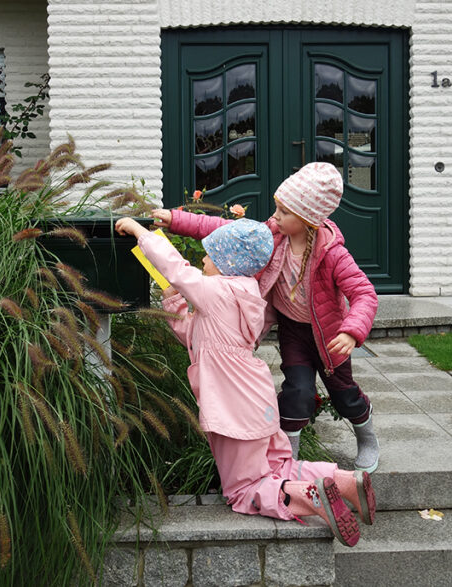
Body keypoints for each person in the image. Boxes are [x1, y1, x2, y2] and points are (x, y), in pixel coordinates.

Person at [114, 216, 375, 546]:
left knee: (243, 489)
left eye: (210, 255)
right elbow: (194, 333)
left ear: (227, 263)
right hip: (257, 399)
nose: (203, 259)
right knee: (278, 464)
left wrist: (141, 232)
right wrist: (172, 297)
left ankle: (311, 497)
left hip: (231, 405)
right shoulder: (246, 293)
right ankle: (343, 482)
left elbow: (176, 269)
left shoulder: (218, 292)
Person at [152, 163, 381, 472]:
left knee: (344, 395)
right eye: (276, 208)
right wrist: (175, 220)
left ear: (308, 218)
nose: (275, 216)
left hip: (330, 337)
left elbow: (364, 293)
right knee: (296, 392)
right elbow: (223, 231)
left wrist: (352, 331)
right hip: (293, 331)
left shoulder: (333, 254)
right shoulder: (272, 234)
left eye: (284, 212)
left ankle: (366, 437)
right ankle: (288, 462)